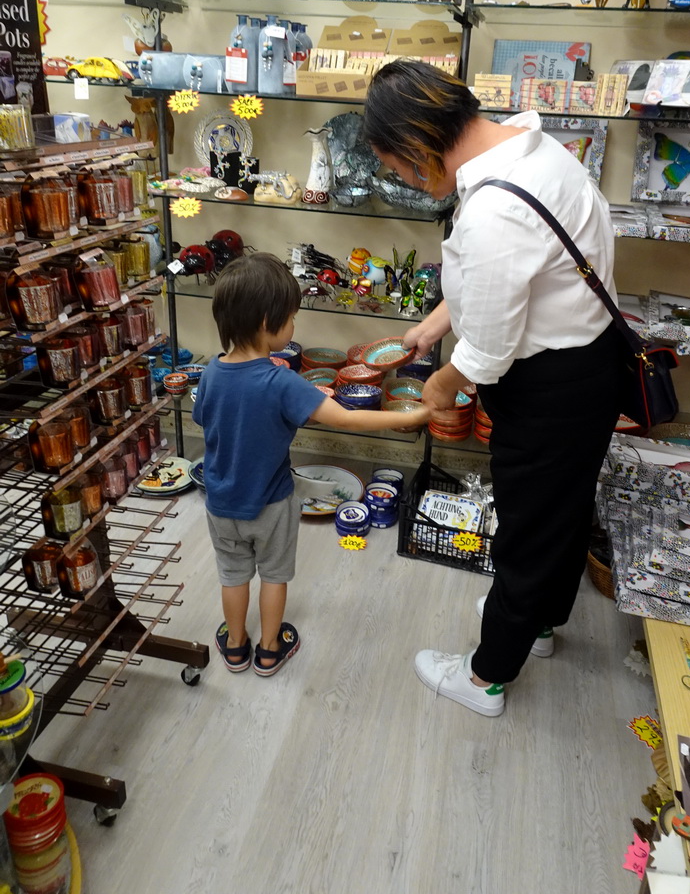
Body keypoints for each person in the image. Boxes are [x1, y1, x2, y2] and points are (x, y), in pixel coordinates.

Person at [363, 60, 623, 717]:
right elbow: (514, 278)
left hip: (547, 386)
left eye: (400, 169)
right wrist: (431, 325)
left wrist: (442, 386)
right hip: (591, 365)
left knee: (526, 532)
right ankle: (536, 624)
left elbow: (489, 349)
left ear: (420, 146)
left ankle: (485, 677)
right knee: (560, 515)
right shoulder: (537, 153)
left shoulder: (490, 211)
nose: (408, 182)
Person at [192, 252, 431, 676]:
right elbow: (347, 417)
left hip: (220, 502)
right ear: (268, 322)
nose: (294, 325)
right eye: (292, 317)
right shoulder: (281, 381)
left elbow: (207, 420)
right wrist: (411, 416)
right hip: (271, 502)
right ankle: (268, 649)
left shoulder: (210, 372)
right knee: (273, 575)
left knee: (232, 575)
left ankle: (234, 646)